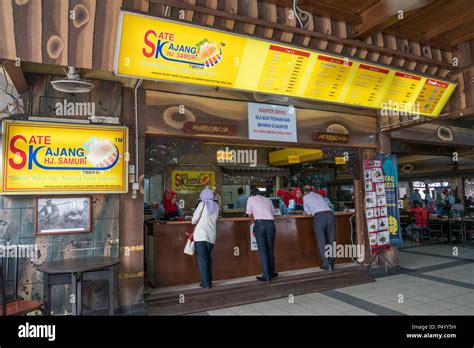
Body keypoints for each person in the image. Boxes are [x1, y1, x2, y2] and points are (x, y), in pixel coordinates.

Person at [246, 188, 277, 282]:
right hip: (271, 224)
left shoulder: (250, 199)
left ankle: (266, 275)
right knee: (270, 249)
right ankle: (272, 272)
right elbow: (273, 212)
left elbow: (249, 215)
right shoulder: (268, 200)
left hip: (260, 225)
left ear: (252, 194)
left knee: (263, 250)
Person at [192, 188, 219, 289]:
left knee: (202, 260)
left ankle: (205, 283)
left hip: (201, 235)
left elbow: (194, 220)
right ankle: (209, 281)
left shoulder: (202, 204)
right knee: (208, 258)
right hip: (211, 236)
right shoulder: (216, 206)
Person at [303, 185, 335, 271]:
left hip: (319, 217)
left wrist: (308, 212)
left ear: (305, 192)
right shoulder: (319, 195)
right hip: (330, 215)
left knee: (322, 241)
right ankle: (332, 263)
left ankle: (326, 264)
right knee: (331, 240)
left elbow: (307, 212)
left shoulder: (305, 197)